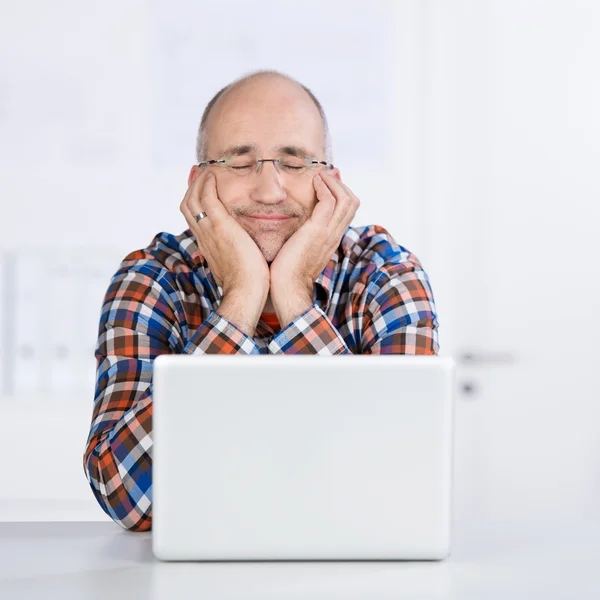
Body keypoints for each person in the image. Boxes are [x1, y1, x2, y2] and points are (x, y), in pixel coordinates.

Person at [83, 70, 439, 532]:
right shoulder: (153, 281)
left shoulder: (386, 277)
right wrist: (241, 298)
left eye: (294, 164)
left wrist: (293, 294)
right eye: (238, 162)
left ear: (331, 182)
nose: (270, 191)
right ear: (199, 182)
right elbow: (124, 498)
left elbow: (402, 485)